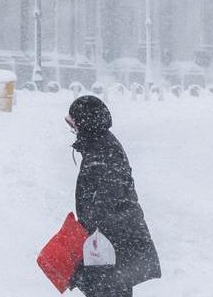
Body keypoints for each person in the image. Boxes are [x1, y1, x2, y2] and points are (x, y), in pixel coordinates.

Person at [66, 95, 161, 296]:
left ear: (86, 121)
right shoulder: (98, 146)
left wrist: (85, 231)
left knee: (109, 289)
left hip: (113, 240)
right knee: (108, 288)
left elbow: (107, 198)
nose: (73, 129)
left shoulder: (103, 150)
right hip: (110, 238)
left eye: (73, 123)